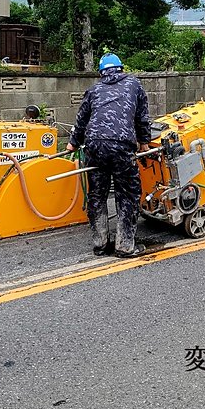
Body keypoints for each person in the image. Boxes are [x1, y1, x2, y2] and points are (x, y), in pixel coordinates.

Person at [67, 53, 151, 258]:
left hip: (94, 145)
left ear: (102, 72)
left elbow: (81, 119)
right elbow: (142, 117)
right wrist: (144, 143)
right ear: (121, 68)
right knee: (128, 194)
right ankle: (124, 246)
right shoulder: (134, 85)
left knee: (97, 195)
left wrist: (72, 144)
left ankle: (100, 244)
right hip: (122, 146)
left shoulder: (94, 89)